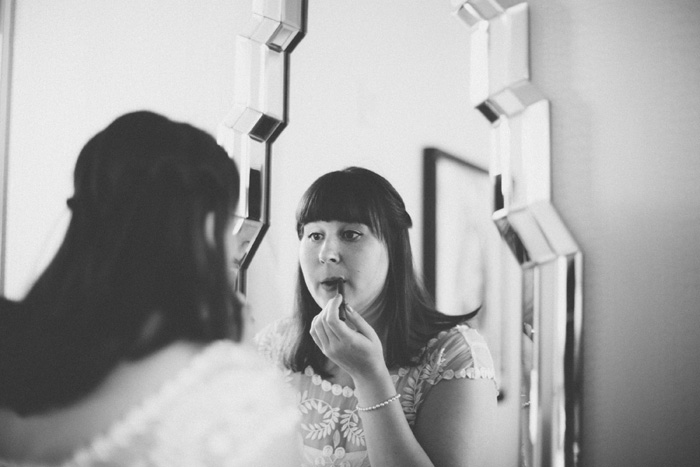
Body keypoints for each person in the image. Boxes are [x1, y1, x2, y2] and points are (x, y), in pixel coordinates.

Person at [0, 111, 298, 466]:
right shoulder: (235, 400)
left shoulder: (18, 346)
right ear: (204, 225)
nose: (235, 249)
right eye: (227, 223)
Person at [256, 167, 499, 467]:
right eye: (315, 235)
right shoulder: (272, 346)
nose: (327, 254)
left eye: (350, 234)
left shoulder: (453, 356)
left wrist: (369, 376)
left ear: (393, 248)